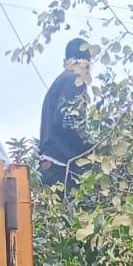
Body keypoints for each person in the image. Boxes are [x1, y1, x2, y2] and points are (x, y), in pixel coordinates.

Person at [39, 37, 93, 186]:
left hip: (50, 163)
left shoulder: (59, 81)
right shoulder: (75, 80)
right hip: (62, 166)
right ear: (85, 61)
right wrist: (89, 148)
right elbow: (65, 120)